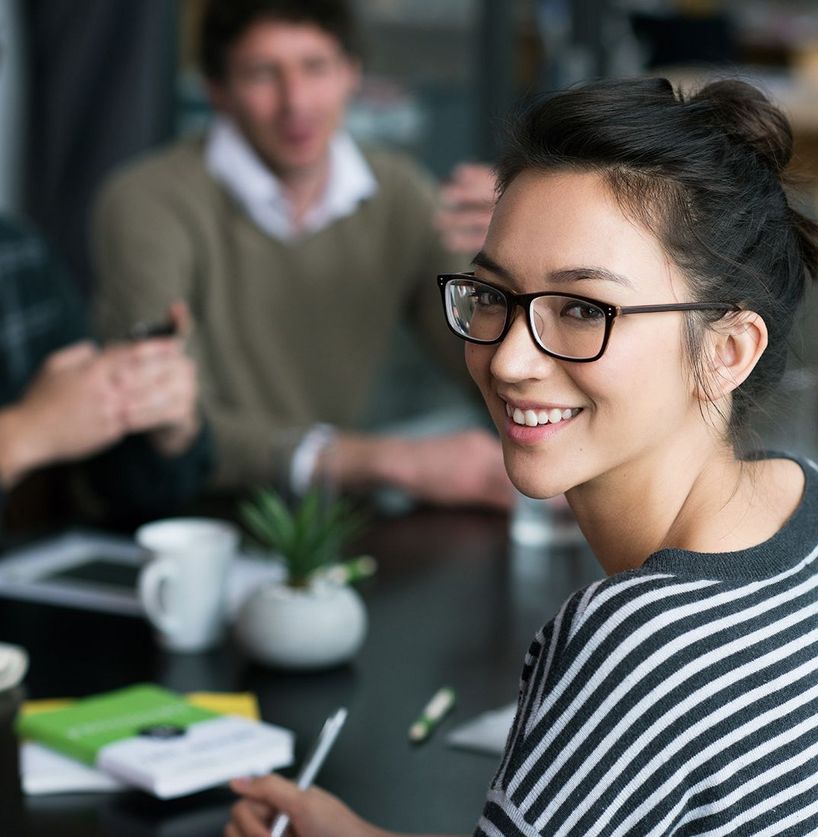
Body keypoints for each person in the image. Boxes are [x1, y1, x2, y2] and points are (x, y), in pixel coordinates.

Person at [226, 77, 818, 836]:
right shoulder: (812, 509)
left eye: (580, 310)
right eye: (492, 295)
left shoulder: (639, 642)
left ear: (728, 349)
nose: (508, 360)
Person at [91, 0, 511, 508]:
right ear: (217, 91)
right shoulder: (148, 200)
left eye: (316, 67)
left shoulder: (398, 192)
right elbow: (165, 417)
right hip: (182, 520)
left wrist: (517, 260)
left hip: (325, 523)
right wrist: (389, 460)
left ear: (352, 72)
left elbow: (485, 366)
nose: (296, 102)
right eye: (263, 74)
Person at [0, 216, 210, 527]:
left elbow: (121, 491)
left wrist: (152, 413)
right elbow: (46, 422)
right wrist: (24, 433)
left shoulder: (19, 253)